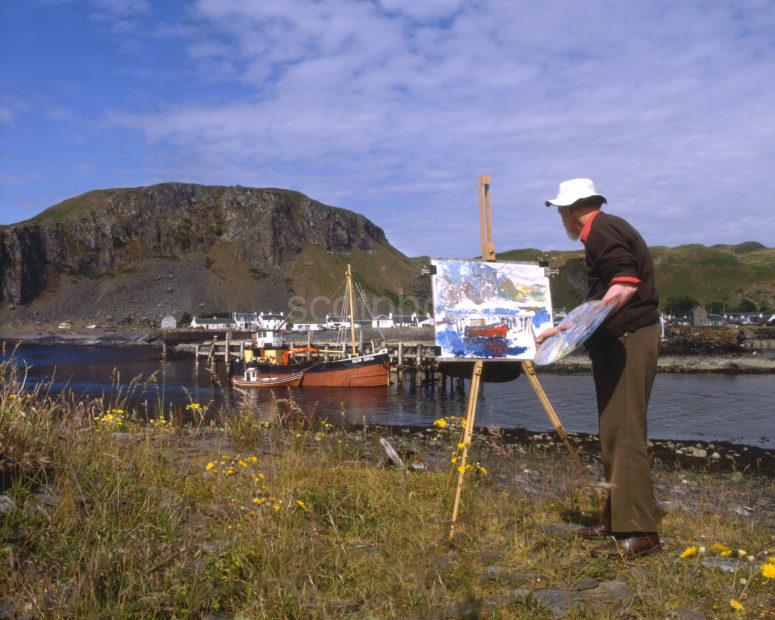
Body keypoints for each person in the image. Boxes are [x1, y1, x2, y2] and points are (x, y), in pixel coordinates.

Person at [536, 178, 662, 558]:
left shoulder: (602, 230)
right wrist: (562, 330)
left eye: (561, 211)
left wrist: (582, 330)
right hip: (620, 340)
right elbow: (602, 298)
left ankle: (641, 531)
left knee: (624, 430)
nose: (561, 218)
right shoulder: (603, 232)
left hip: (628, 338)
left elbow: (624, 284)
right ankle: (614, 516)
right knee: (613, 430)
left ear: (574, 209)